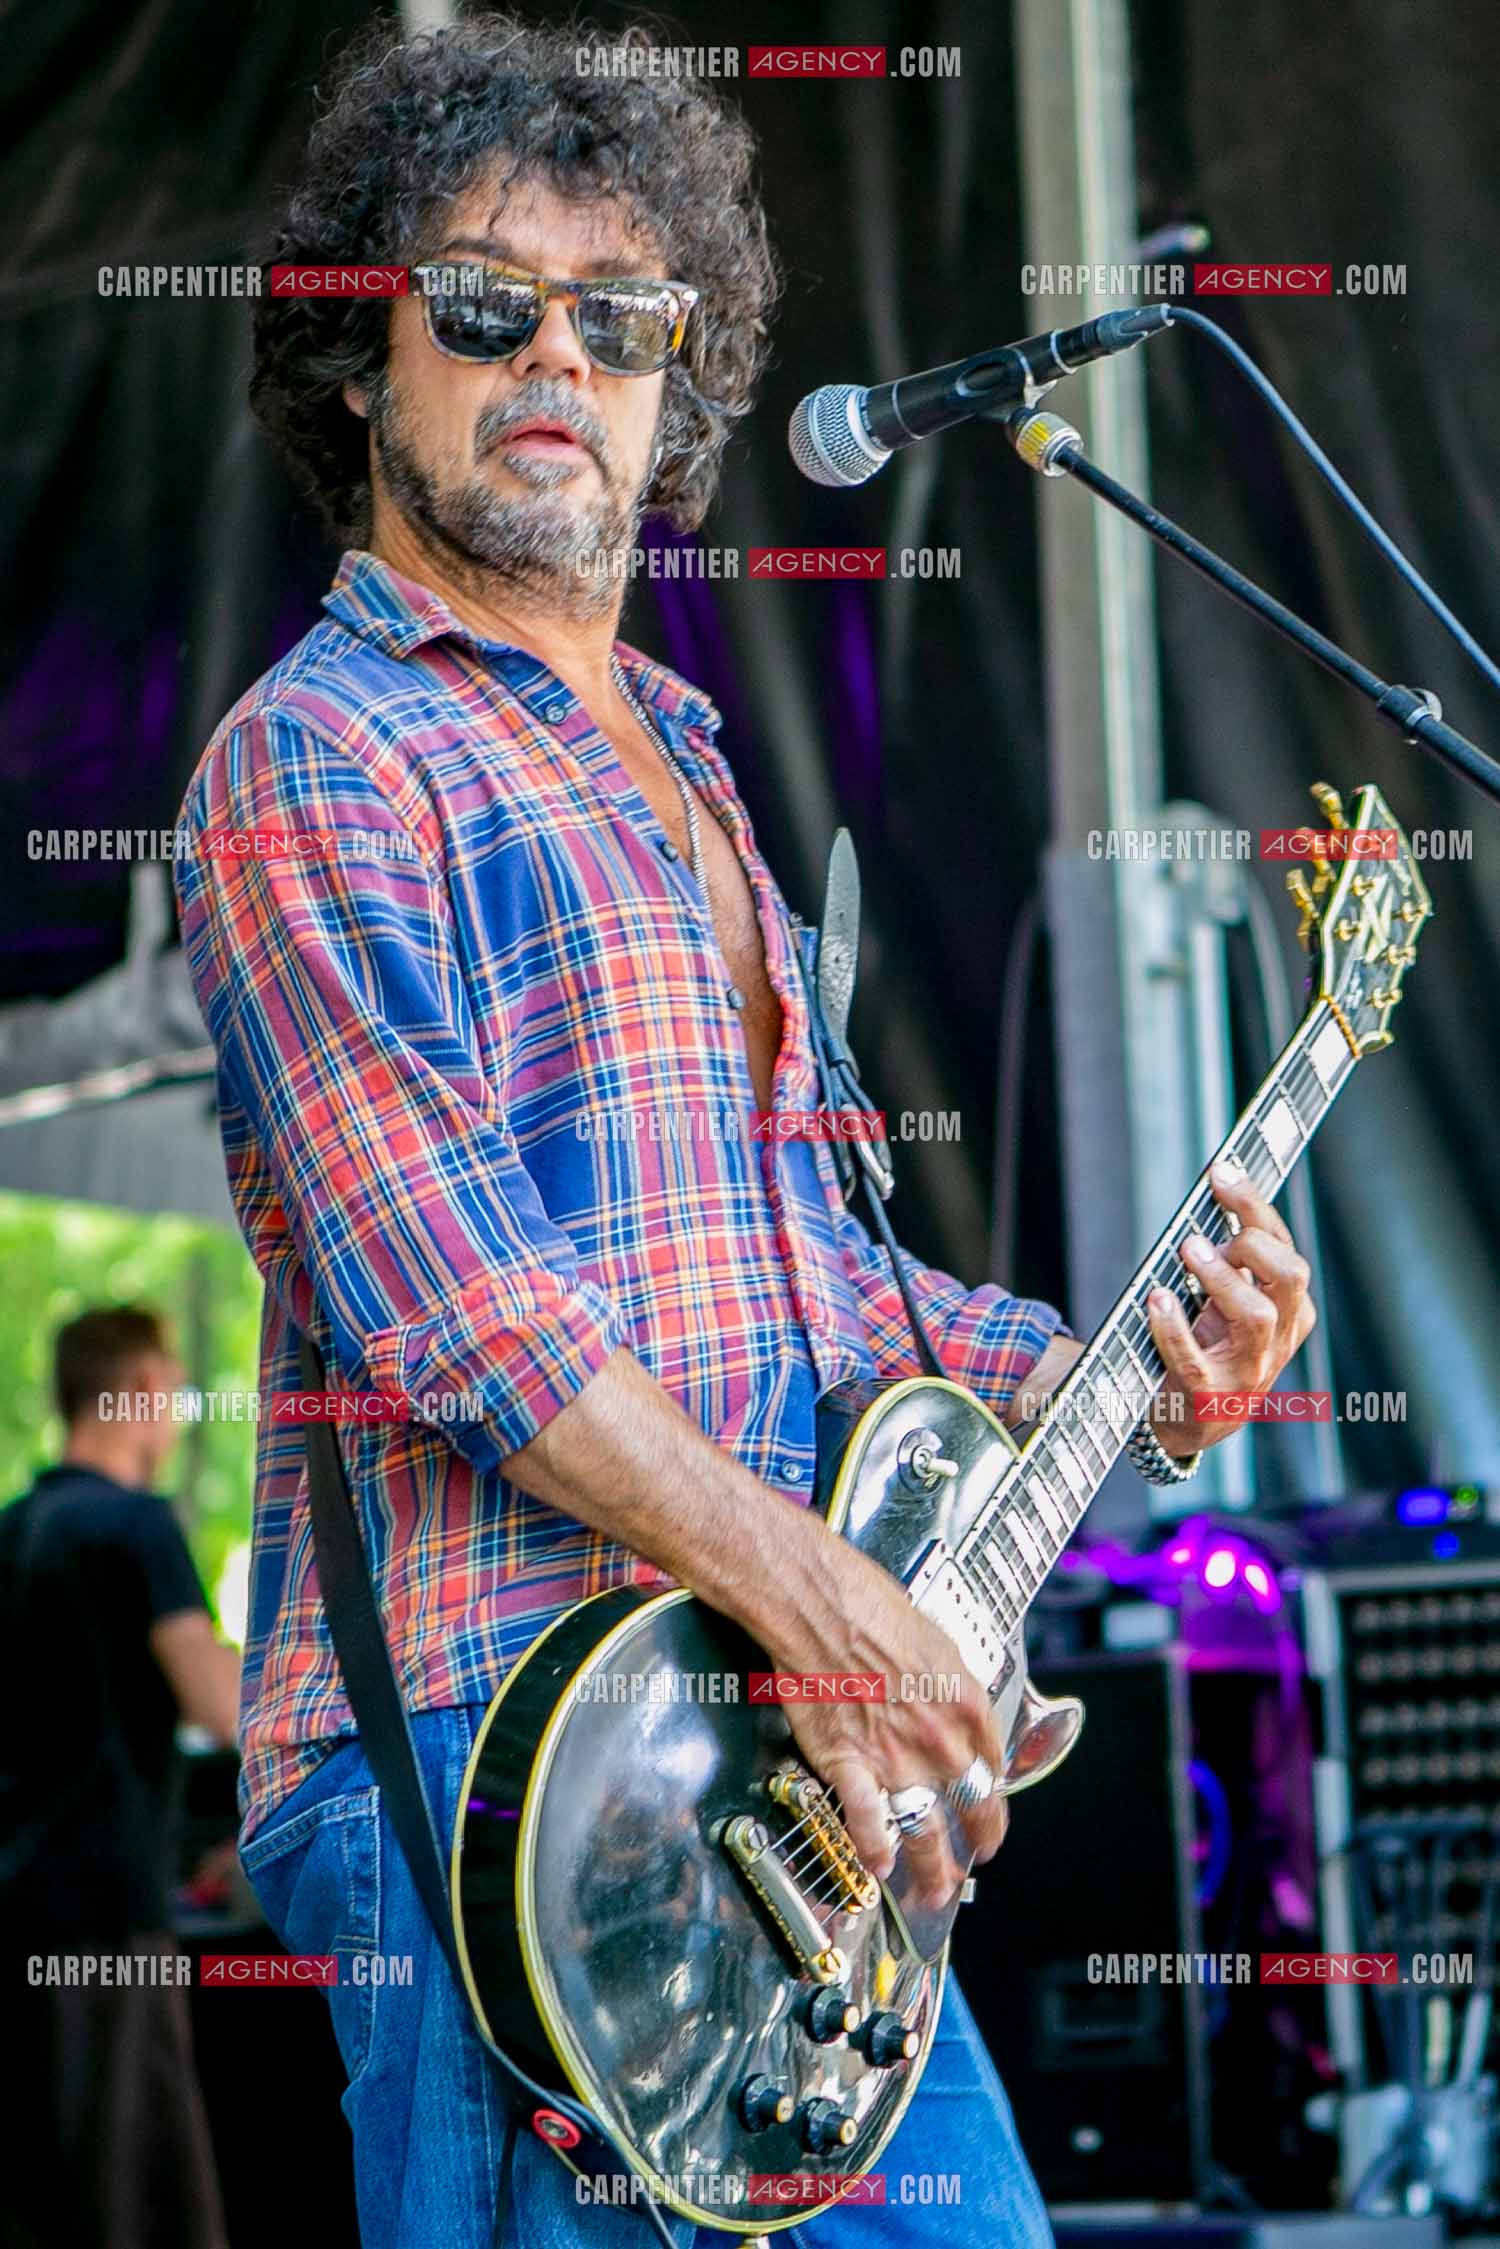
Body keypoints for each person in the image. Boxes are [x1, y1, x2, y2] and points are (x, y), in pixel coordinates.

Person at [173, 18, 1317, 2247]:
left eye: (625, 317)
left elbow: (826, 1284)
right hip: (505, 1783)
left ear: (674, 387)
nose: (558, 356)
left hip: (784, 1791)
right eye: (484, 302)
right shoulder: (318, 757)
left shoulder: (692, 759)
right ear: (354, 362)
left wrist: (1136, 1367)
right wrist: (834, 1613)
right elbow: (457, 1305)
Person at [0, 1304, 241, 2249]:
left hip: (16, 1906)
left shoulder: (13, 1527)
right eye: (175, 1390)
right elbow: (218, 1707)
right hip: (110, 1918)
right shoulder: (139, 1524)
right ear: (140, 1386)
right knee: (137, 2202)